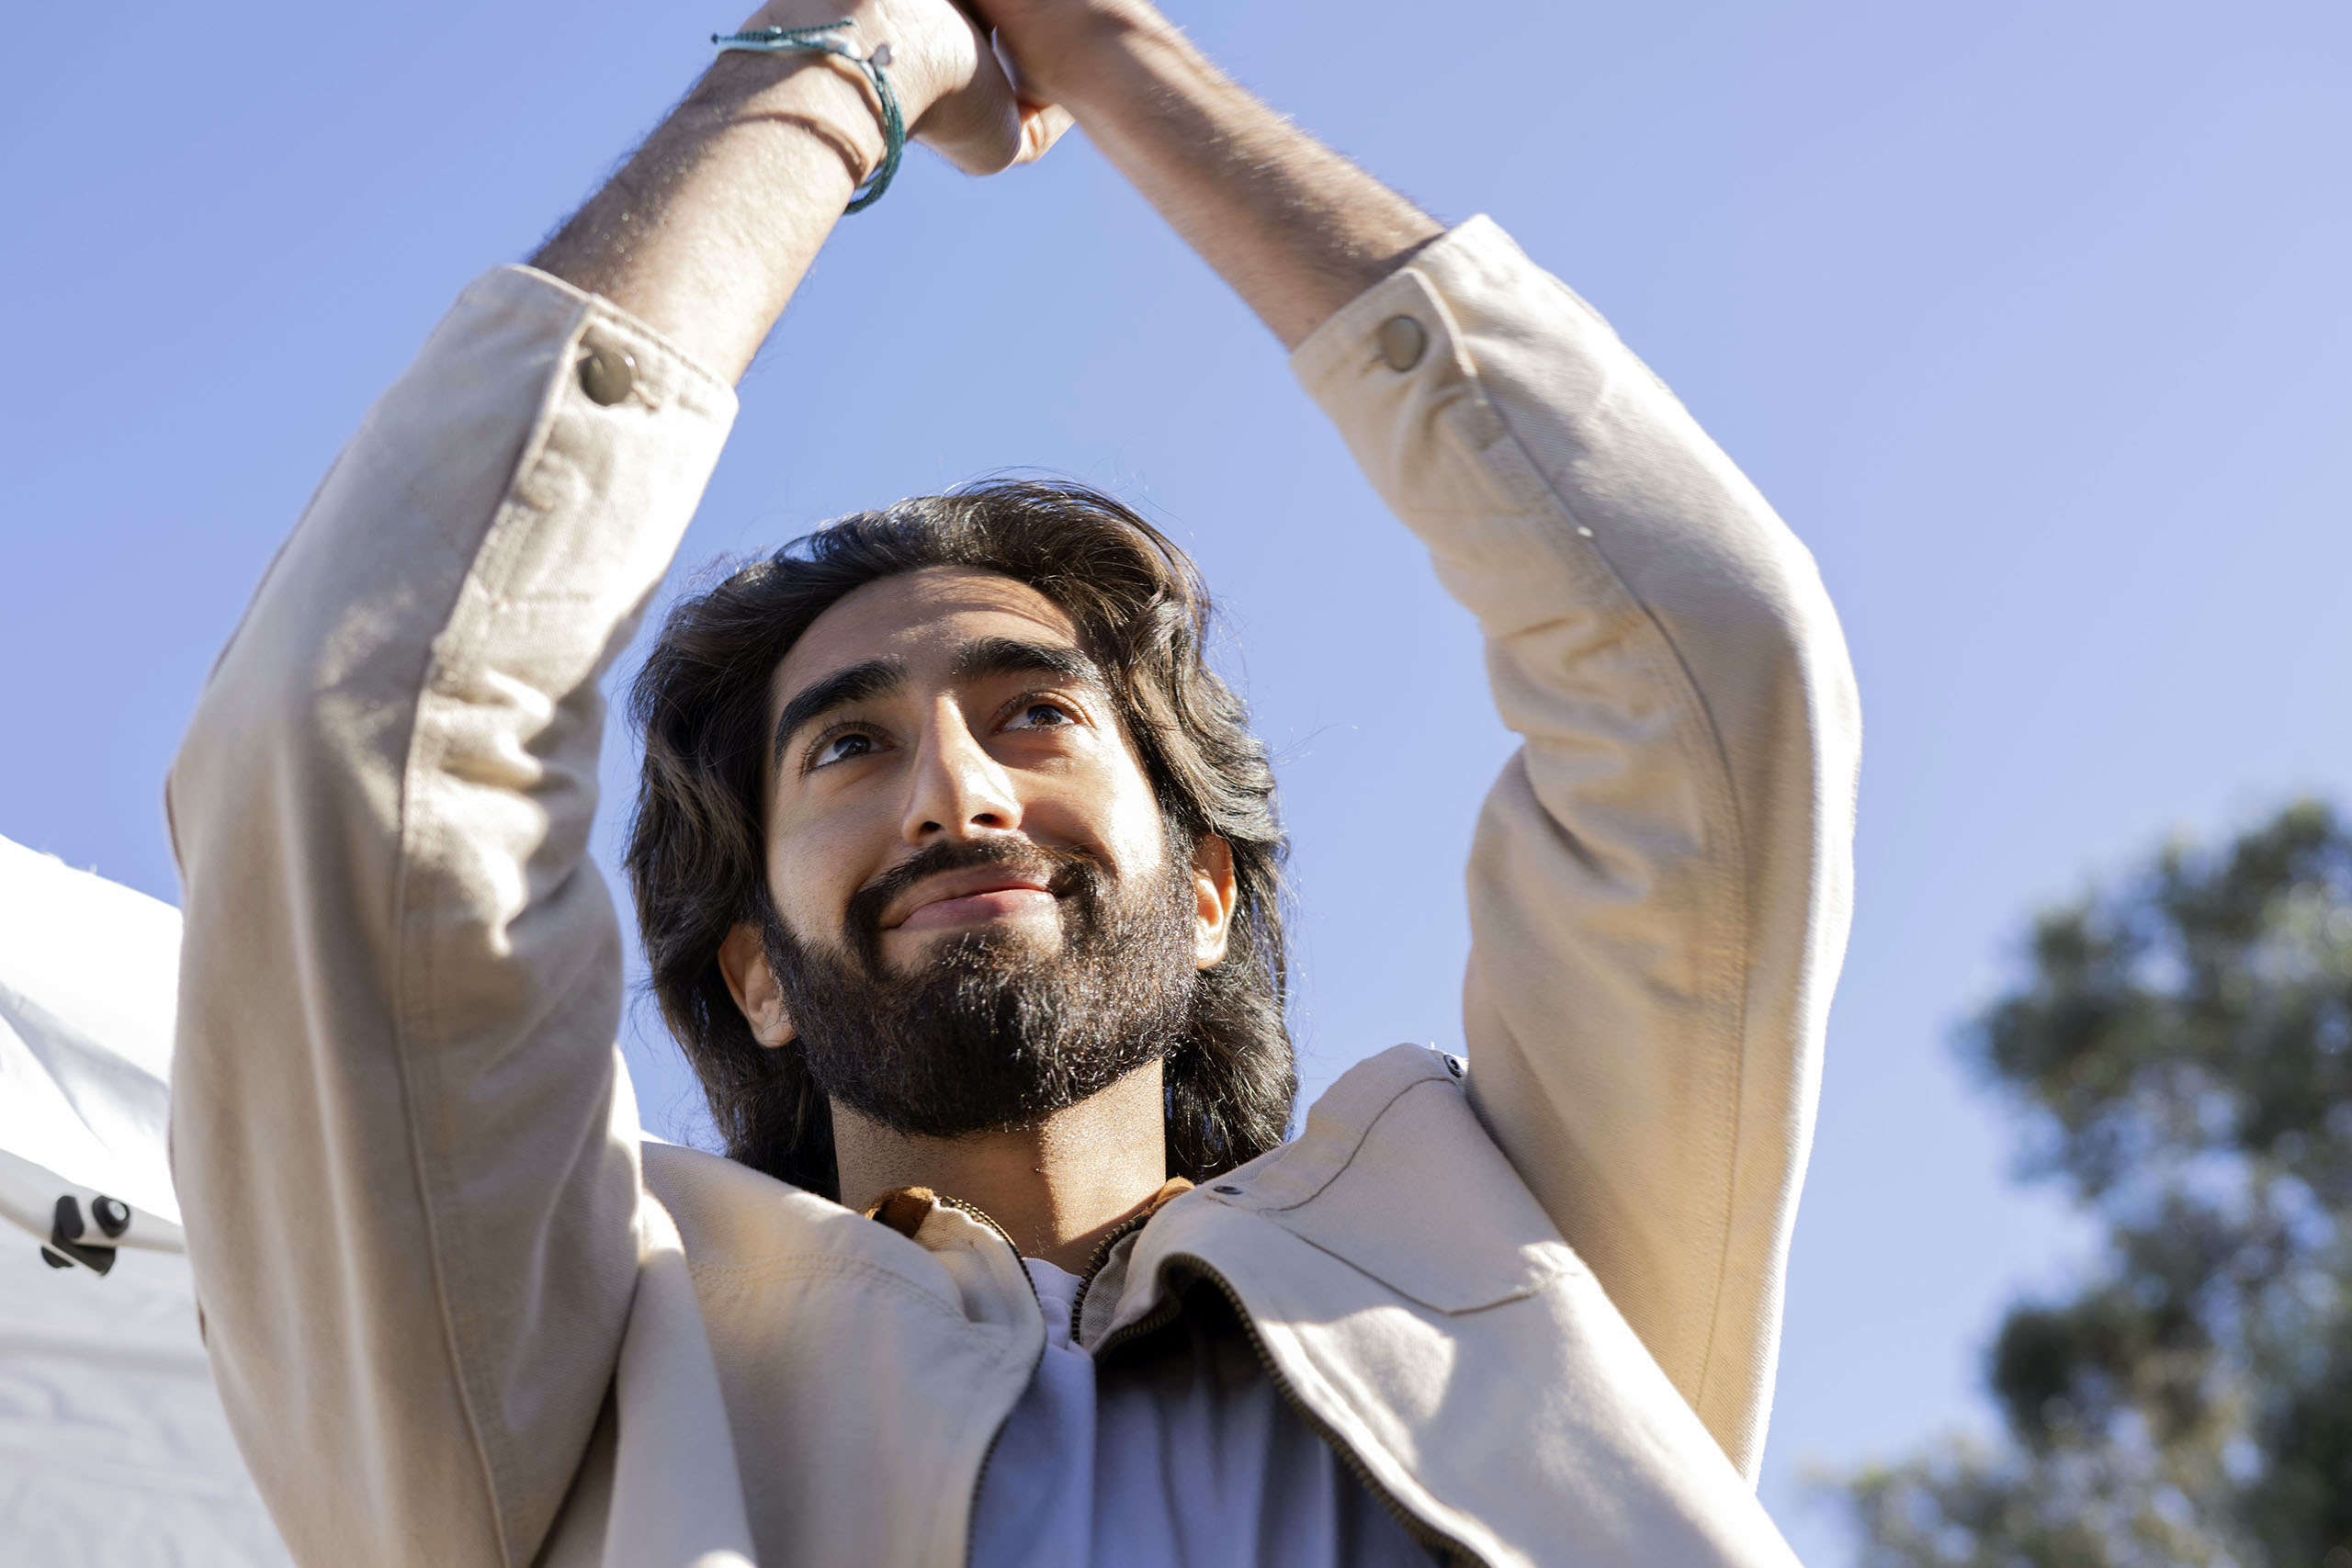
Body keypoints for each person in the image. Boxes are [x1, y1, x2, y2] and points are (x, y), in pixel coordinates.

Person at [165, 0, 1860, 1562]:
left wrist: (1100, 48)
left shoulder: (1518, 1255)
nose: (954, 793)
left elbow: (1701, 666)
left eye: (1034, 715)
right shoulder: (585, 1370)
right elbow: (361, 742)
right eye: (845, 746)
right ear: (751, 973)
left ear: (1206, 893)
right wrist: (850, 53)